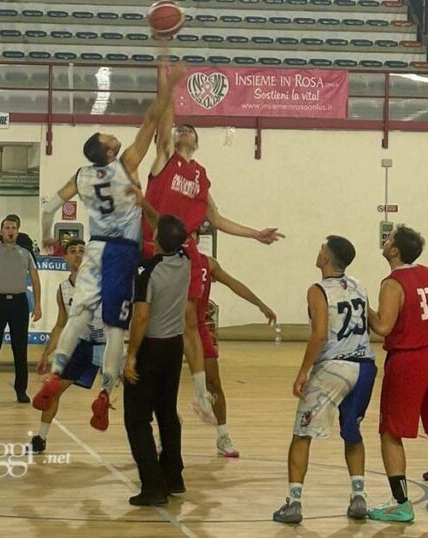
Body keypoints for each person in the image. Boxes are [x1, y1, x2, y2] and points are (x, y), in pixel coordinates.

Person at [33, 60, 185, 431]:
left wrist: (47, 236)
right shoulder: (126, 164)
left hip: (95, 249)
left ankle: (55, 374)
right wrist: (169, 86)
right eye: (107, 137)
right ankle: (104, 393)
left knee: (80, 314)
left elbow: (50, 206)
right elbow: (152, 119)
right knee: (116, 326)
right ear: (107, 152)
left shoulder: (81, 175)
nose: (111, 135)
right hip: (121, 251)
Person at [145, 84, 284, 427]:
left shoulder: (200, 176)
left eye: (190, 130)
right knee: (144, 316)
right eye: (181, 128)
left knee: (192, 319)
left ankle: (198, 393)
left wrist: (256, 234)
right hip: (155, 243)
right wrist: (168, 83)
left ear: (197, 142)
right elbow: (164, 125)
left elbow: (218, 220)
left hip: (185, 247)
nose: (185, 130)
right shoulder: (166, 160)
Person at [273, 236, 376, 524]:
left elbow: (319, 335)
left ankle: (293, 502)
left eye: (321, 248)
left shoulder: (318, 290)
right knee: (352, 432)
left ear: (326, 258)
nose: (317, 251)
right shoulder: (359, 286)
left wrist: (303, 371)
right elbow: (376, 324)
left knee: (302, 433)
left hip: (335, 366)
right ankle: (359, 496)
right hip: (365, 366)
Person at [365, 226, 428, 522]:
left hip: (408, 360)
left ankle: (401, 503)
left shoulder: (393, 283)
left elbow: (382, 327)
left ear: (395, 250)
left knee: (391, 433)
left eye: (389, 239)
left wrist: (362, 306)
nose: (385, 240)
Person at [121, 215, 190, 506]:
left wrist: (131, 356)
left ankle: (153, 486)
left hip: (151, 347)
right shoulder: (186, 261)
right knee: (167, 413)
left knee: (137, 418)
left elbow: (141, 317)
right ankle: (174, 476)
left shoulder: (146, 271)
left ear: (158, 239)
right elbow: (176, 235)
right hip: (175, 346)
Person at [192, 237, 277, 457]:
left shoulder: (207, 263)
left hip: (197, 327)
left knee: (214, 381)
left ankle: (223, 436)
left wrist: (260, 304)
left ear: (196, 237)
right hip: (171, 327)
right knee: (165, 384)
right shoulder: (171, 260)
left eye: (192, 232)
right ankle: (162, 435)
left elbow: (234, 284)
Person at [29, 239, 106, 453]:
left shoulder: (103, 283)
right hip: (80, 346)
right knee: (51, 390)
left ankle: (157, 439)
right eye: (73, 251)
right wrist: (46, 354)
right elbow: (60, 325)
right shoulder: (63, 289)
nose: (78, 255)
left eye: (83, 251)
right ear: (65, 257)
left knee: (139, 395)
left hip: (107, 344)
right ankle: (40, 438)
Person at [0, 172, 42, 404]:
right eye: (6, 227)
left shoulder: (26, 254)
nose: (10, 230)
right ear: (1, 230)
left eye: (13, 227)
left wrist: (37, 304)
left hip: (18, 304)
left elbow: (35, 280)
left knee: (20, 350)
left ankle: (21, 390)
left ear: (18, 230)